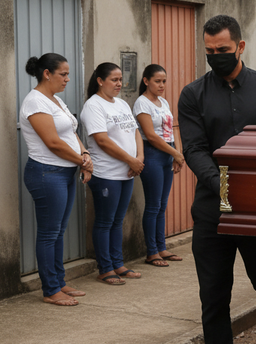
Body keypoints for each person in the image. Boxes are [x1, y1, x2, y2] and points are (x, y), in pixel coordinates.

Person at [178, 15, 256, 344]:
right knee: (213, 296)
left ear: (240, 46)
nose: (216, 56)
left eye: (223, 49)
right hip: (212, 212)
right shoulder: (192, 94)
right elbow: (196, 150)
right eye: (209, 51)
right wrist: (224, 187)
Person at [19, 53, 93, 306]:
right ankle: (50, 289)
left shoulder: (55, 100)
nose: (67, 79)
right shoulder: (35, 102)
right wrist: (82, 161)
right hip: (46, 173)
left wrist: (84, 154)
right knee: (49, 234)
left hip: (64, 171)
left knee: (58, 232)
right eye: (63, 74)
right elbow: (52, 143)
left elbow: (71, 134)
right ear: (47, 74)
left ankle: (59, 281)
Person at [80, 62, 144, 285]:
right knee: (105, 221)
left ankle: (118, 264)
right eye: (114, 80)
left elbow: (136, 131)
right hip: (106, 174)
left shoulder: (122, 104)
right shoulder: (93, 106)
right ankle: (105, 268)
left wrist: (139, 159)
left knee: (118, 221)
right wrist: (131, 160)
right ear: (100, 81)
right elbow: (102, 140)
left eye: (121, 79)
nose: (120, 83)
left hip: (126, 172)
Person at [133, 64, 185, 267]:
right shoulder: (142, 103)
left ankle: (161, 248)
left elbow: (173, 128)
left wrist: (178, 153)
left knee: (162, 205)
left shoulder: (163, 101)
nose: (162, 85)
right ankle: (151, 252)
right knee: (153, 205)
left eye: (164, 81)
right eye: (157, 81)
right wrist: (175, 154)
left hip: (168, 153)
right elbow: (152, 136)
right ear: (146, 81)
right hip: (153, 154)